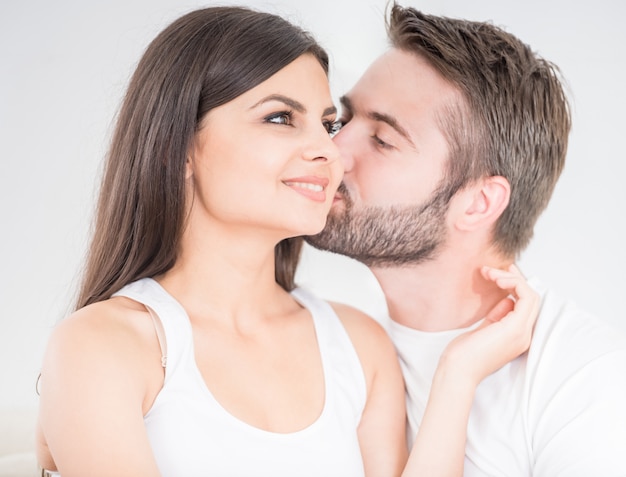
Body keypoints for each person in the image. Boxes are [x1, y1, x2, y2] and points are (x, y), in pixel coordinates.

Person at [35, 5, 539, 477]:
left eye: (326, 124)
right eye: (280, 118)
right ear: (178, 147)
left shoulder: (359, 347)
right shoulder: (105, 347)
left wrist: (459, 375)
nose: (330, 151)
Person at [307, 4, 626, 476]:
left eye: (382, 139)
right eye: (342, 120)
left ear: (478, 203)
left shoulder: (585, 381)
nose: (330, 150)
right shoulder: (335, 348)